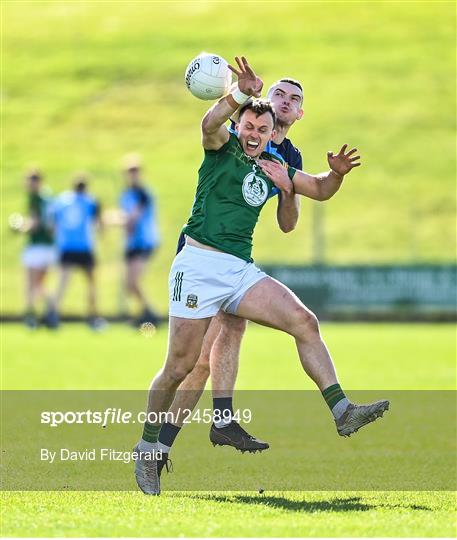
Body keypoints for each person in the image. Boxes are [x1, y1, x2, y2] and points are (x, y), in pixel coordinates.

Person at [134, 57, 389, 495]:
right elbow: (209, 121)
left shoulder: (279, 162)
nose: (254, 134)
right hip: (197, 264)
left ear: (275, 132)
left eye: (262, 129)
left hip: (238, 269)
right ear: (244, 121)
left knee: (304, 321)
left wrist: (336, 175)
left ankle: (341, 410)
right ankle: (149, 447)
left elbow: (320, 190)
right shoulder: (222, 141)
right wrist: (235, 94)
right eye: (249, 125)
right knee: (181, 367)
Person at [156, 78, 305, 468]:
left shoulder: (290, 156)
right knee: (193, 361)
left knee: (210, 354)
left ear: (299, 114)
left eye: (295, 99)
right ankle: (209, 425)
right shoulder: (246, 135)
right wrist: (236, 95)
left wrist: (290, 190)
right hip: (204, 253)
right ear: (263, 106)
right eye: (279, 95)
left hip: (234, 259)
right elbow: (211, 128)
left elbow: (288, 224)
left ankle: (172, 443)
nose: (285, 102)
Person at [45, 175, 104, 330]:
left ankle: (53, 314)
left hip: (67, 247)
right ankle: (93, 316)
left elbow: (52, 222)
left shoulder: (61, 201)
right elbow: (98, 223)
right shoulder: (90, 201)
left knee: (63, 282)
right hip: (84, 247)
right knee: (91, 284)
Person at [119, 154, 160, 326]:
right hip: (132, 242)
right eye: (130, 171)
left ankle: (150, 313)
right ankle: (145, 312)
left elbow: (132, 218)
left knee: (133, 281)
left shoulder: (143, 193)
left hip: (144, 241)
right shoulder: (126, 195)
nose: (133, 175)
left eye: (135, 171)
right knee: (129, 284)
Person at [20, 169, 56, 328]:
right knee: (39, 284)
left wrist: (20, 226)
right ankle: (51, 309)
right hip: (49, 246)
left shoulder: (35, 198)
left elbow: (34, 225)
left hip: (37, 246)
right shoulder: (48, 197)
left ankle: (31, 316)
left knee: (31, 284)